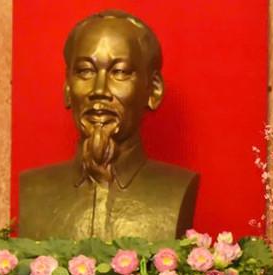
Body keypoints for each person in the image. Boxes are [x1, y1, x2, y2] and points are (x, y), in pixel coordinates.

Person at [18, 10, 199, 241]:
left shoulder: (177, 188)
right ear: (67, 88)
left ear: (153, 90)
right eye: (85, 71)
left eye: (120, 72)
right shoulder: (35, 189)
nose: (99, 90)